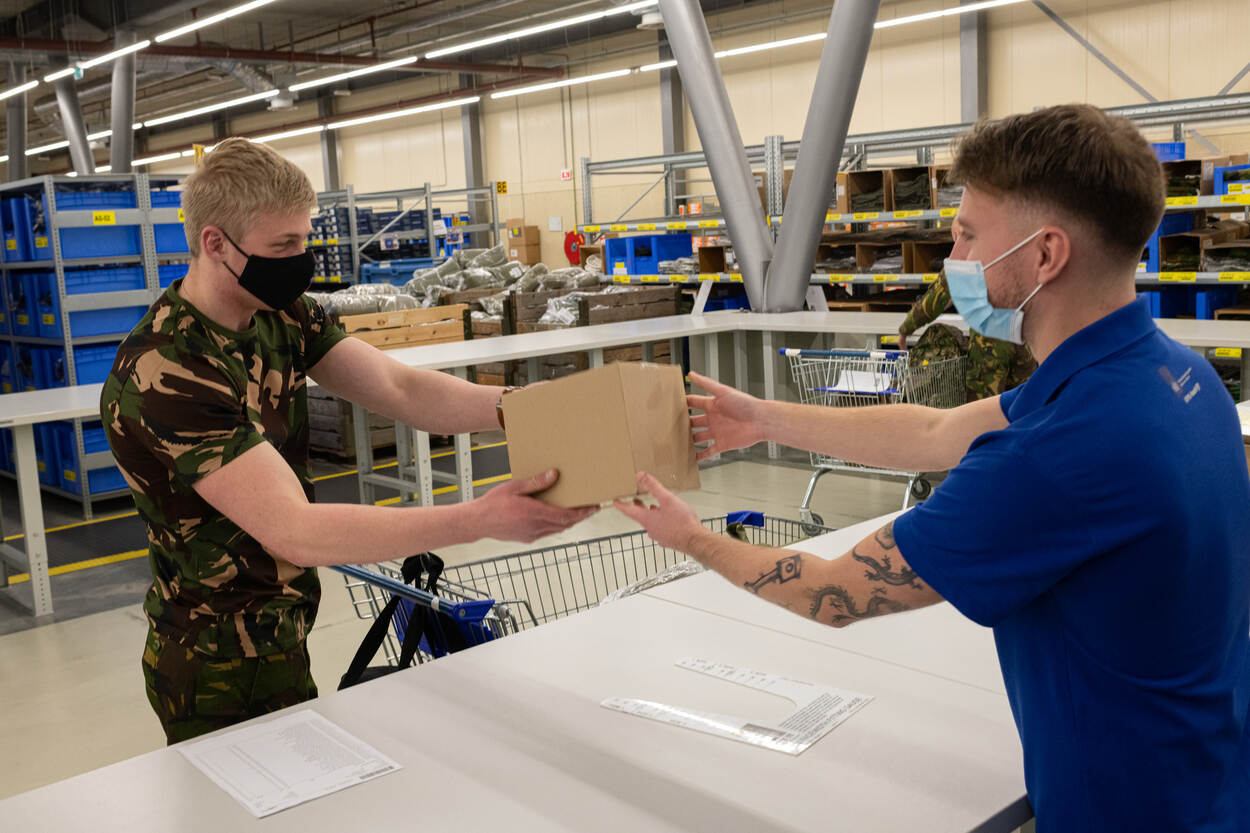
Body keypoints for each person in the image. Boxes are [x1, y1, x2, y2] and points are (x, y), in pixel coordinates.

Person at [617, 105, 1249, 831]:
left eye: (970, 233)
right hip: (1213, 779)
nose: (953, 255)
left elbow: (832, 594)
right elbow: (938, 430)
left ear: (1047, 255)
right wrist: (762, 419)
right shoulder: (1179, 377)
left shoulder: (1058, 452)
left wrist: (691, 537)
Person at [101, 138, 594, 744]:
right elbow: (297, 531)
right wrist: (480, 518)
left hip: (283, 624)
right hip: (215, 659)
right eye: (283, 246)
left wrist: (522, 411)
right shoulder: (169, 371)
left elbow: (398, 386)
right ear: (214, 243)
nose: (300, 259)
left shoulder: (279, 314)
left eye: (305, 241)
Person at [899, 271, 1037, 400]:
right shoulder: (1017, 247)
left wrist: (907, 327)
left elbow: (943, 291)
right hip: (1023, 334)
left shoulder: (971, 248)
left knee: (983, 414)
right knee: (1024, 404)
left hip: (989, 342)